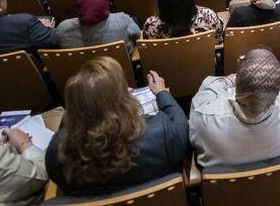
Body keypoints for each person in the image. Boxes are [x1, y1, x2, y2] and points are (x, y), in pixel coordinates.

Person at [46, 58, 188, 196]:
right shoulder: (161, 134)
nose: (129, 89)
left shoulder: (57, 154)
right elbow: (182, 128)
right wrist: (162, 93)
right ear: (117, 104)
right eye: (122, 89)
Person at [190, 48, 280, 167]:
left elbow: (206, 90)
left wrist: (228, 80)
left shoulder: (204, 117)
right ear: (278, 92)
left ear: (236, 86)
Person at [55, 0, 140, 51]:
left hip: (79, 73)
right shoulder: (122, 20)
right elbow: (137, 35)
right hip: (118, 71)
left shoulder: (63, 29)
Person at [143, 0, 223, 41]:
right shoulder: (209, 16)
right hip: (202, 59)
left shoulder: (150, 26)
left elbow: (149, 53)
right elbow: (218, 41)